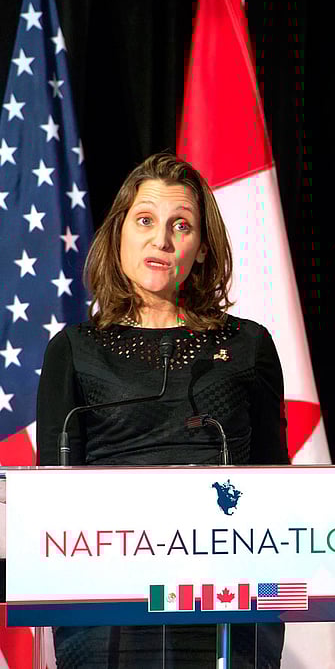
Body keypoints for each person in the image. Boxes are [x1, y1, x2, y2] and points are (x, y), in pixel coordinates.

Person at [36, 153, 287, 668]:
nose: (162, 240)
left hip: (229, 599)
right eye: (145, 220)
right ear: (119, 235)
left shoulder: (247, 345)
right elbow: (52, 499)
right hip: (105, 605)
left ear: (200, 249)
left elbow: (277, 488)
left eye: (182, 226)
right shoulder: (75, 349)